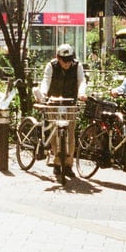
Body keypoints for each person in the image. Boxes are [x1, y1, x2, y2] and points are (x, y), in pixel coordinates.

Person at [39, 43, 87, 179]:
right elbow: (46, 81)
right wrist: (43, 93)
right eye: (64, 61)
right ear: (58, 58)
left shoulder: (77, 66)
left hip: (70, 102)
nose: (67, 63)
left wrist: (82, 93)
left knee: (70, 134)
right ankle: (57, 162)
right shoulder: (51, 65)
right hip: (54, 101)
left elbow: (82, 81)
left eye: (69, 60)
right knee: (55, 132)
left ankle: (68, 165)